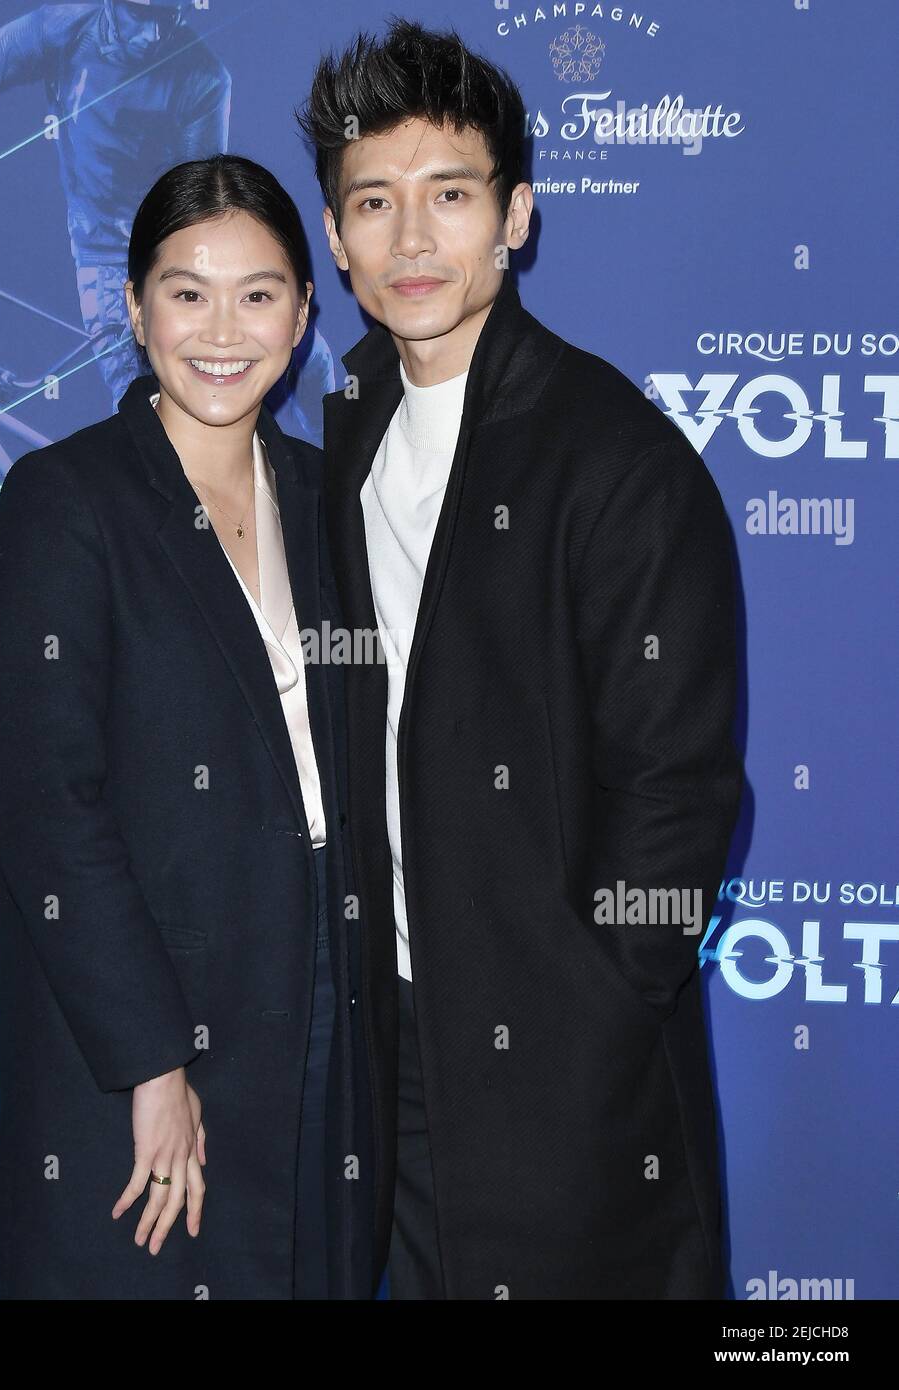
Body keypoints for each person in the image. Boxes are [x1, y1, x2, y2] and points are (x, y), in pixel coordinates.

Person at [296, 20, 744, 1299]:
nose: (412, 238)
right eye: (373, 204)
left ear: (517, 217)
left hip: (559, 1067)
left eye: (449, 195)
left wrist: (593, 1006)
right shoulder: (347, 428)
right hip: (384, 1048)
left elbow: (684, 790)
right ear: (336, 241)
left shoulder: (615, 457)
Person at [0, 153, 374, 1299]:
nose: (221, 329)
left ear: (302, 314)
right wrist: (153, 1061)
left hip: (316, 1000)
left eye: (257, 294)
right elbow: (53, 809)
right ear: (136, 304)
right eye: (186, 291)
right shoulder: (65, 501)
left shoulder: (325, 495)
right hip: (144, 1014)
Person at [0, 0, 334, 440]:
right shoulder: (66, 29)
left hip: (184, 251)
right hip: (107, 263)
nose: (150, 37)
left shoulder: (203, 77)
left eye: (164, 20)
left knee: (308, 355)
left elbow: (197, 215)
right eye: (138, 19)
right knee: (152, 425)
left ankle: (342, 466)